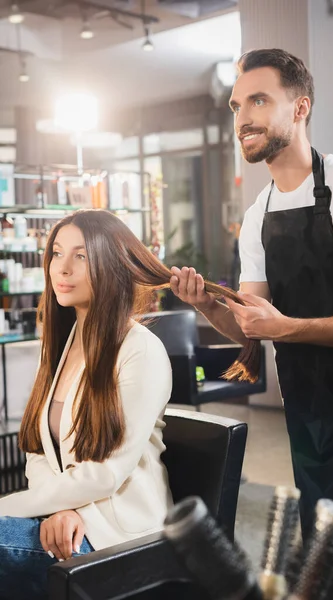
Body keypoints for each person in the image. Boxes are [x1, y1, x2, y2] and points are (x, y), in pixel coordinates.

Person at [170, 49, 333, 600]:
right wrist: (204, 304)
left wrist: (287, 327)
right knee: (323, 559)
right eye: (235, 105)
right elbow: (252, 324)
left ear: (300, 108)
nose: (242, 117)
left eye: (258, 100)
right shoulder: (258, 215)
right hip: (308, 415)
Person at [0, 210, 178, 599]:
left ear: (111, 263)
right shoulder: (63, 344)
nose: (61, 269)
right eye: (57, 253)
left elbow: (105, 475)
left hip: (118, 537)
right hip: (70, 523)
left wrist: (10, 506)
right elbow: (38, 449)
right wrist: (59, 510)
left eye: (80, 256)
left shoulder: (140, 351)